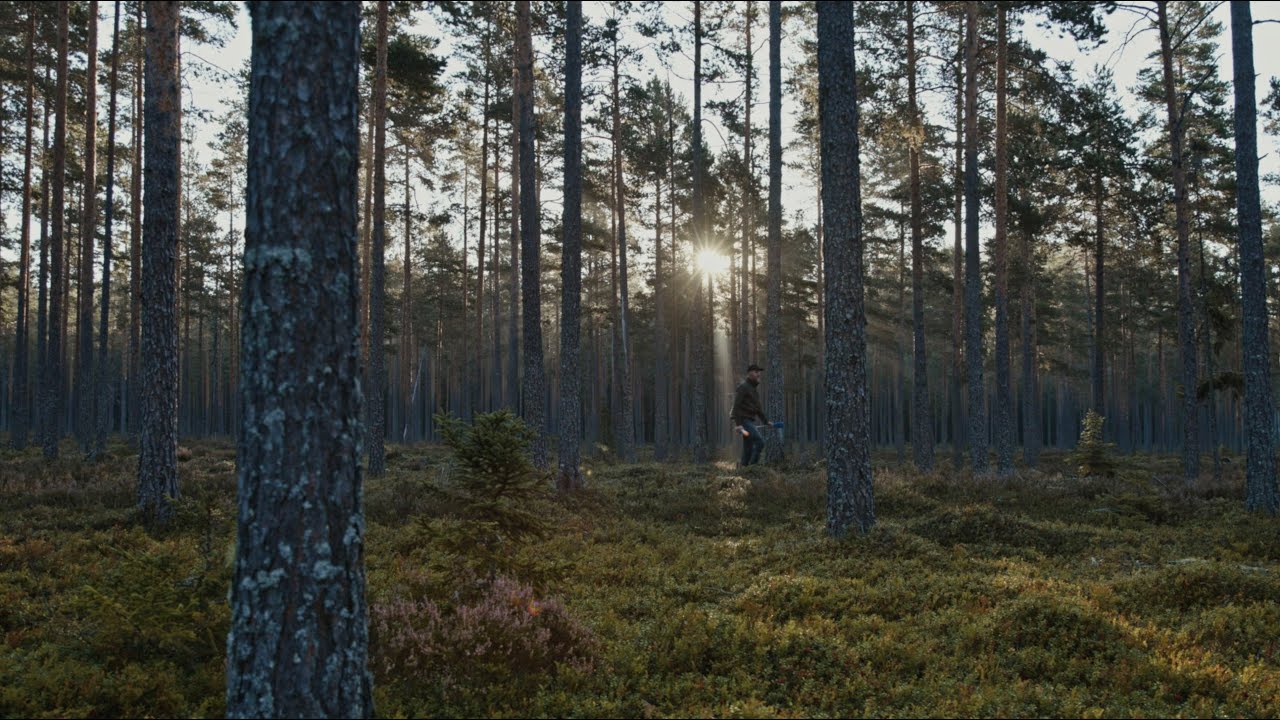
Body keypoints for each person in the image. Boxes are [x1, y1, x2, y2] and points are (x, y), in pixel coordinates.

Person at [731, 363, 769, 467]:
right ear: (749, 374)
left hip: (749, 422)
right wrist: (738, 424)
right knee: (760, 442)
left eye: (759, 372)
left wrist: (766, 422)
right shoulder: (743, 387)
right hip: (744, 422)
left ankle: (743, 468)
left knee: (748, 448)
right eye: (756, 372)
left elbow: (758, 409)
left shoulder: (754, 391)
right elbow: (736, 406)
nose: (759, 374)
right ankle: (753, 467)